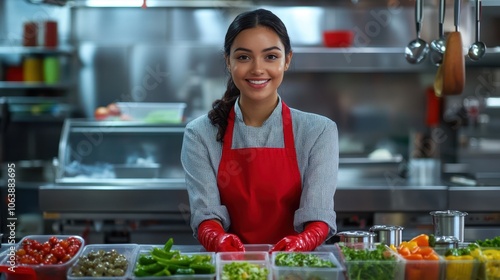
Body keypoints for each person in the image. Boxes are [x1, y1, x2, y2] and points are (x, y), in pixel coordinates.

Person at [180, 8, 338, 252]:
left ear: (287, 60)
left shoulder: (318, 131)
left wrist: (303, 243)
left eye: (270, 57)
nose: (257, 69)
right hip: (229, 266)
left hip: (295, 269)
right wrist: (217, 238)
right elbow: (206, 213)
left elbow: (319, 214)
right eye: (243, 57)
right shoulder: (200, 134)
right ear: (228, 61)